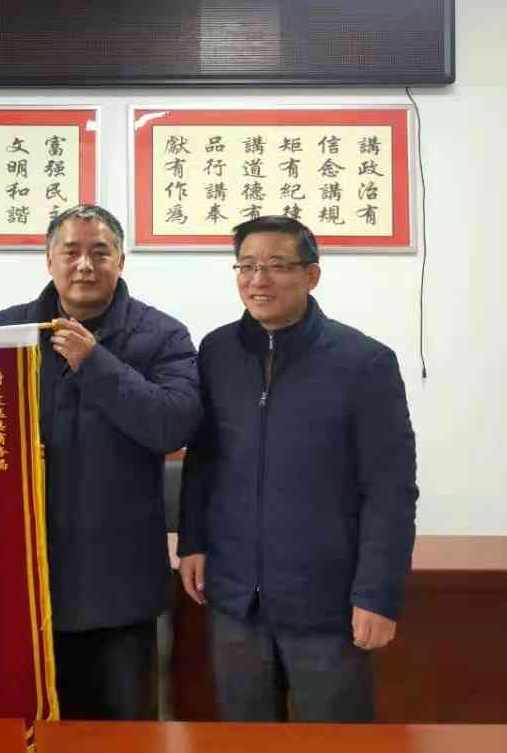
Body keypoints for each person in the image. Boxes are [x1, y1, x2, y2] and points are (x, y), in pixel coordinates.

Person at [178, 215, 418, 722]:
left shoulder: (364, 362)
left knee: (336, 745)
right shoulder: (217, 352)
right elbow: (203, 459)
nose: (258, 280)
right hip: (236, 600)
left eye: (277, 266)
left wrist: (378, 594)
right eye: (246, 266)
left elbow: (391, 490)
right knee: (245, 744)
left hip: (326, 603)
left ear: (312, 275)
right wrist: (193, 541)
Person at [0, 204, 200, 720]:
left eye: (100, 253)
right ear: (49, 260)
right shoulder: (10, 327)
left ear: (121, 261)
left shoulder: (163, 334)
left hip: (119, 582)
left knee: (124, 735)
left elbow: (172, 426)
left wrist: (95, 362)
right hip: (29, 577)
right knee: (38, 729)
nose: (85, 265)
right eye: (71, 252)